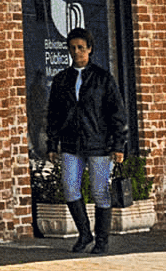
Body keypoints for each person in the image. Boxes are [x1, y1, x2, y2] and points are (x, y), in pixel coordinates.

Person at [42, 26, 126, 252]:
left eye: (81, 48)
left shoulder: (103, 78)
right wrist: (52, 143)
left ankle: (102, 240)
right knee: (70, 187)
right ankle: (85, 233)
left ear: (90, 49)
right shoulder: (62, 80)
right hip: (71, 143)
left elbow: (117, 113)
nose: (77, 52)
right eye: (72, 48)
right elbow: (54, 114)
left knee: (100, 191)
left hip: (98, 144)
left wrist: (118, 145)